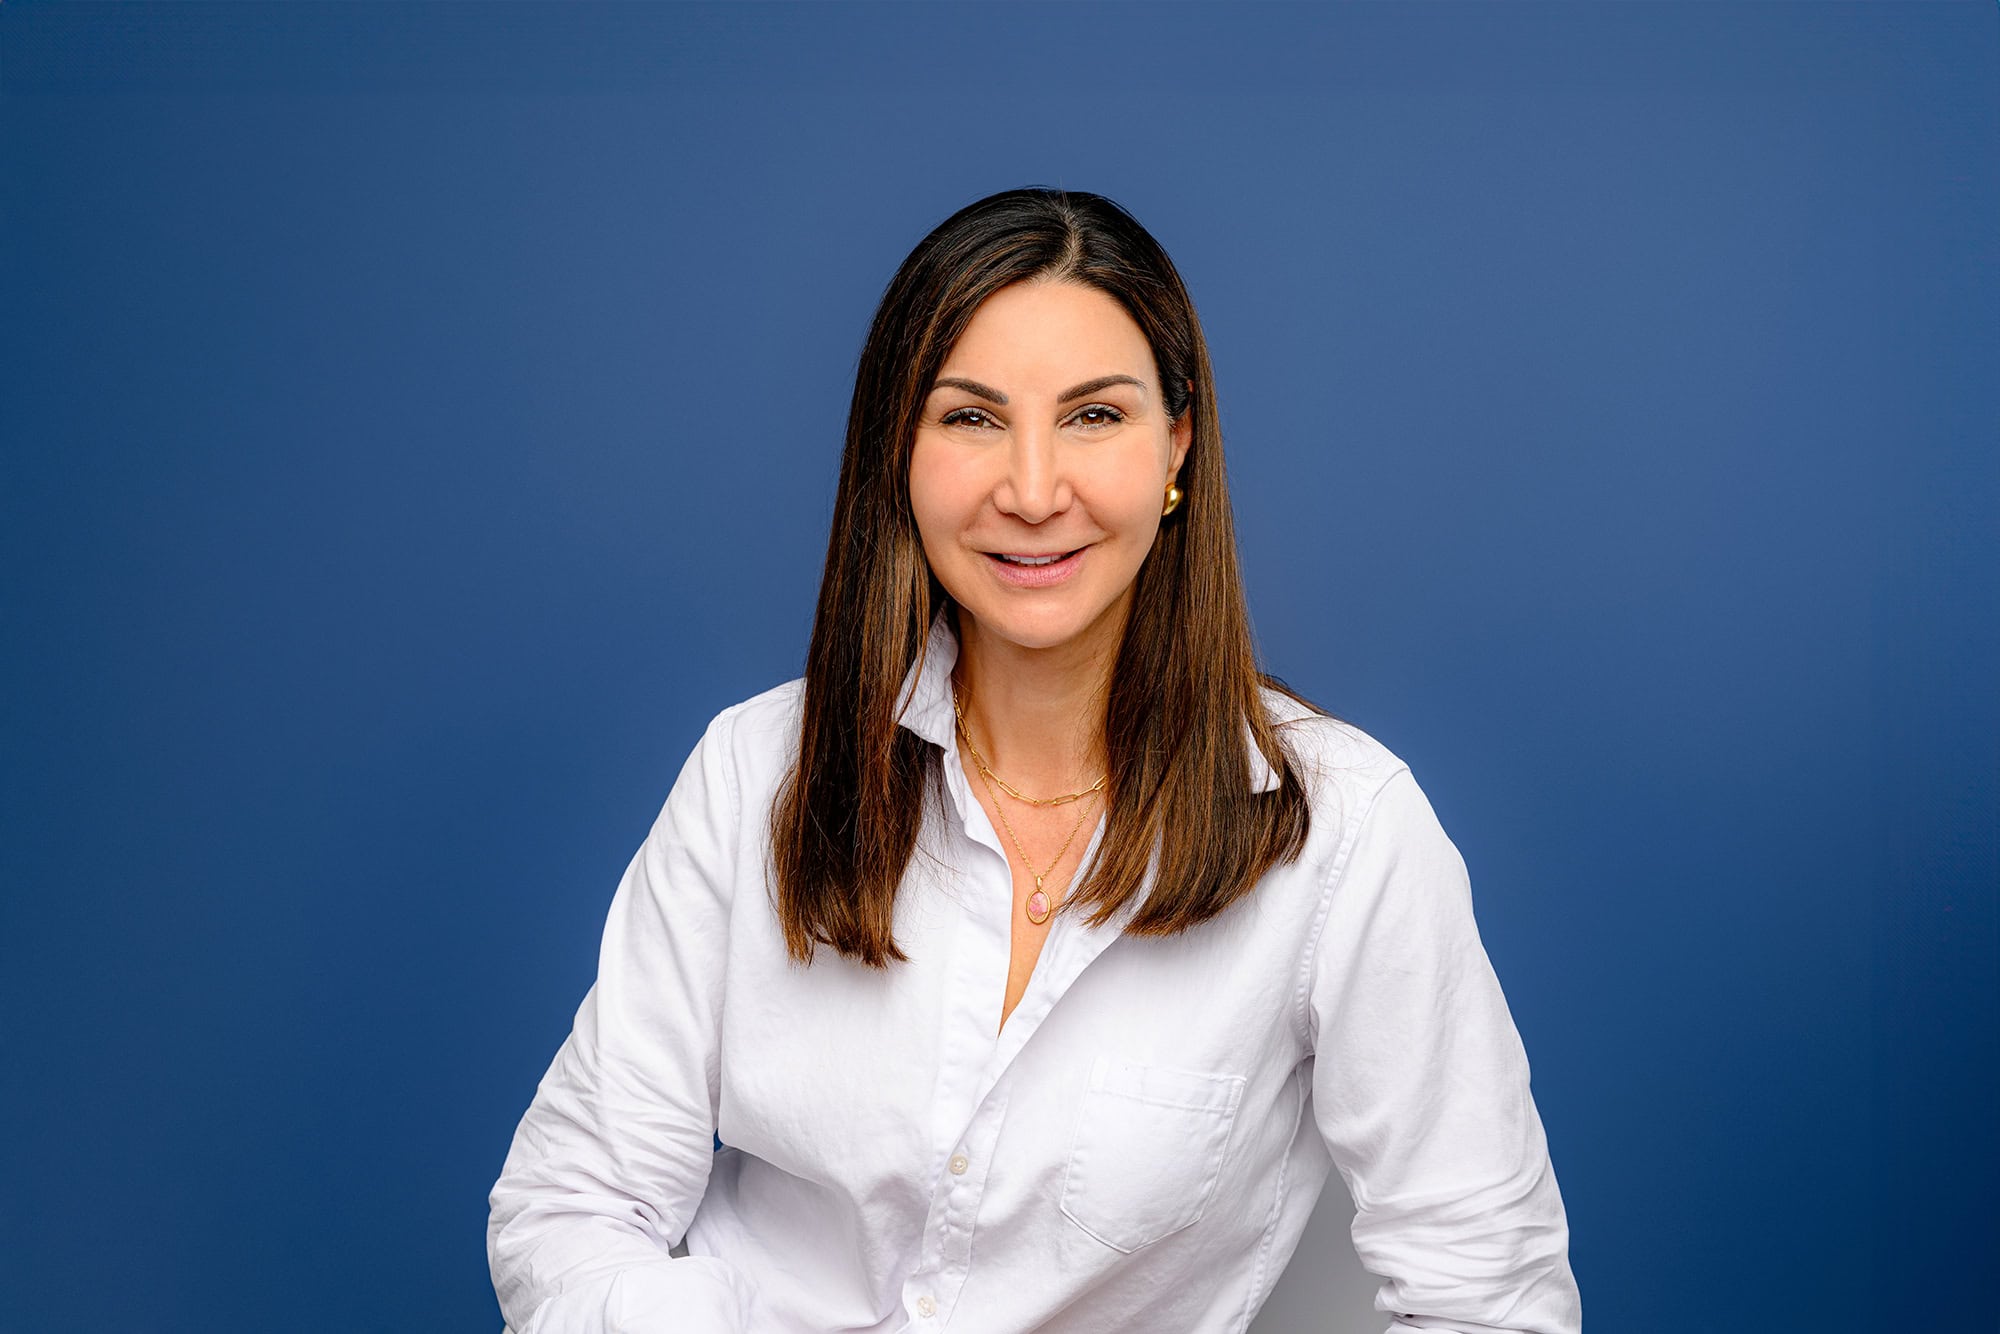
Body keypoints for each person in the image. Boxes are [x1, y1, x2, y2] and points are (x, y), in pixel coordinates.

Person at [486, 187, 1582, 1334]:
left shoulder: (1342, 831)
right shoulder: (753, 773)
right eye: (970, 417)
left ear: (1176, 447)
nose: (1031, 489)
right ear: (898, 453)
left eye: (1093, 415)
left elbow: (1487, 1295)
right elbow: (569, 1205)